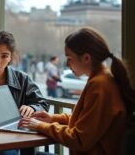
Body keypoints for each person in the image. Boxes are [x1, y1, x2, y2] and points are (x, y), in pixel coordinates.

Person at [19, 27, 135, 155]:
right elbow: (87, 121)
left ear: (86, 58)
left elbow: (79, 138)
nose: (67, 64)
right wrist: (52, 118)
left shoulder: (100, 85)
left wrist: (40, 126)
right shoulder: (102, 79)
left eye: (69, 58)